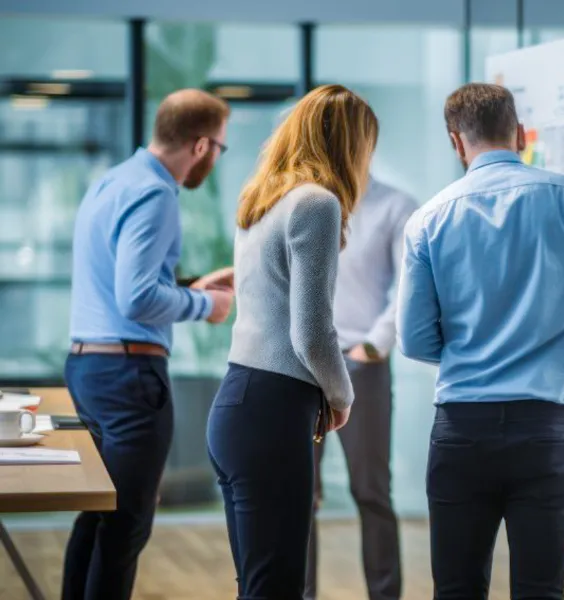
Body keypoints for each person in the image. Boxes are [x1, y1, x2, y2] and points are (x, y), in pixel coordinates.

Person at [396, 83, 564, 599]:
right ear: (519, 133)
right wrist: (546, 328)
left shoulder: (428, 219)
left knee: (456, 589)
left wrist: (469, 347)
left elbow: (413, 339)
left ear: (456, 142)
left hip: (462, 428)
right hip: (548, 429)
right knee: (542, 591)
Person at [206, 84, 379, 599]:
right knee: (277, 587)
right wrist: (342, 396)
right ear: (349, 145)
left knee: (258, 585)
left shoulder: (263, 199)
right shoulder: (317, 204)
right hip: (274, 412)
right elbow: (312, 331)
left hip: (236, 403)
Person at [64, 88, 234, 600]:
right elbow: (136, 298)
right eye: (221, 148)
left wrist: (187, 288)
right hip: (129, 378)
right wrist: (209, 306)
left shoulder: (112, 181)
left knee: (98, 517)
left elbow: (125, 283)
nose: (217, 158)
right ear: (201, 146)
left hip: (89, 369)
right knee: (126, 526)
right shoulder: (157, 194)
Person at [305, 177, 417, 600]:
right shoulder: (305, 202)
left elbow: (410, 282)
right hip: (303, 363)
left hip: (361, 363)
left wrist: (376, 343)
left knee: (371, 492)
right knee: (301, 495)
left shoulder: (396, 205)